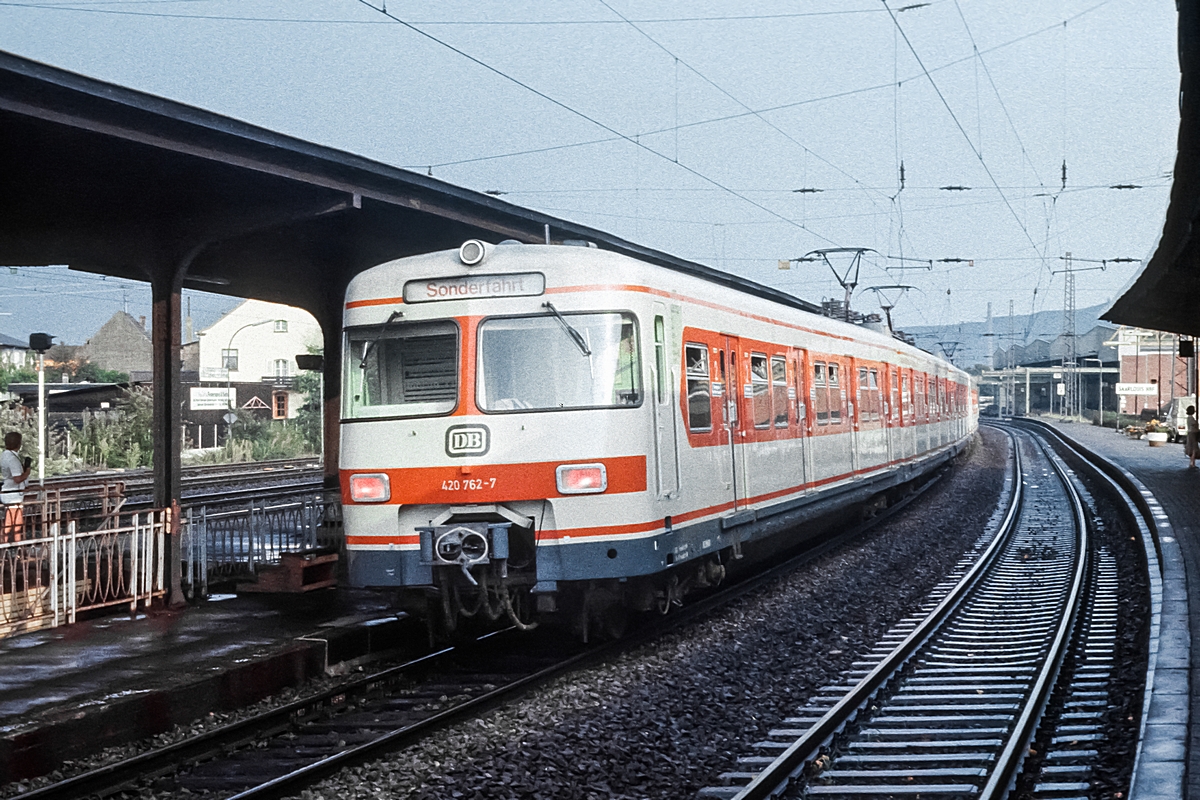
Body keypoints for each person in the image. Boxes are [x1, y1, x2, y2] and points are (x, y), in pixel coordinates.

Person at [1, 431, 31, 541]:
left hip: (10, 493)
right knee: (13, 523)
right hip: (13, 494)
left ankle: (16, 547)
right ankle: (13, 546)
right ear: (18, 443)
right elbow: (17, 479)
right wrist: (27, 472)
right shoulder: (12, 459)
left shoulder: (5, 455)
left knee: (13, 522)